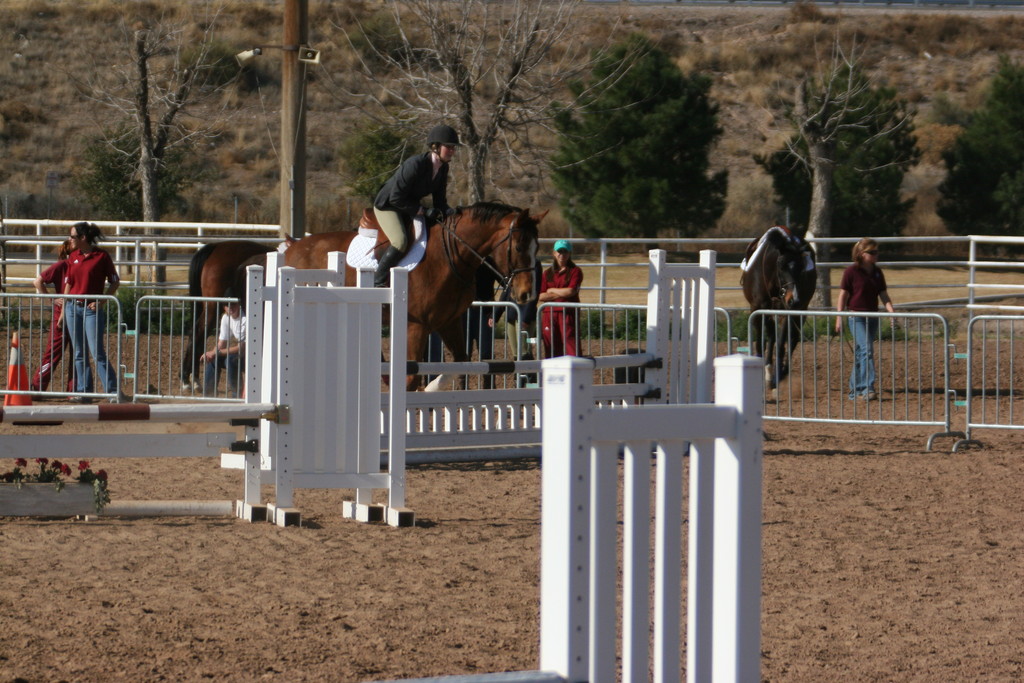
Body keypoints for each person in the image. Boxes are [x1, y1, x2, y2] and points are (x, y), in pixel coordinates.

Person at [372, 124, 461, 288]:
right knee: (400, 241)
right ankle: (377, 280)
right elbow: (396, 198)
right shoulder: (415, 164)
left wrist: (453, 213)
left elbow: (439, 201)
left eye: (453, 148)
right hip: (388, 205)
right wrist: (424, 211)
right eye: (449, 147)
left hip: (408, 206)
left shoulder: (443, 168)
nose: (452, 151)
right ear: (435, 146)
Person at [63, 221, 126, 404]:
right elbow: (68, 283)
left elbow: (114, 281)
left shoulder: (101, 256)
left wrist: (102, 301)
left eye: (72, 236)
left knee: (97, 351)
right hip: (72, 308)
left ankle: (113, 391)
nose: (69, 240)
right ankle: (84, 391)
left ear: (83, 238)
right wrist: (63, 311)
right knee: (78, 352)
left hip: (91, 310)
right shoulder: (73, 256)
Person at [835, 237, 896, 401]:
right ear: (862, 254)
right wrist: (839, 317)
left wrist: (891, 312)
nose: (876, 255)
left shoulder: (877, 272)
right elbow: (843, 295)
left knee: (862, 353)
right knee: (867, 350)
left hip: (873, 316)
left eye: (877, 252)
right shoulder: (851, 272)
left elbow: (883, 293)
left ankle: (855, 390)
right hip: (856, 316)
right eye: (872, 252)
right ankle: (867, 388)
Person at [31, 239, 87, 395]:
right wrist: (53, 299)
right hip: (62, 315)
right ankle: (38, 386)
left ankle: (73, 390)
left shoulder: (76, 266)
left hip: (75, 313)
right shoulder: (62, 265)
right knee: (55, 353)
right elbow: (38, 281)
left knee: (74, 353)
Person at [539, 240, 583, 358]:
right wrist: (562, 293)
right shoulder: (547, 273)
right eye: (559, 251)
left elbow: (571, 291)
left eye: (565, 251)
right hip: (549, 314)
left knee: (571, 346)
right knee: (551, 348)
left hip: (568, 313)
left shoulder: (575, 271)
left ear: (569, 253)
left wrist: (551, 290)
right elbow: (541, 296)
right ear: (554, 253)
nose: (562, 254)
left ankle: (575, 374)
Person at [202, 292, 246, 398]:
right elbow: (221, 343)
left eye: (233, 304)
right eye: (227, 305)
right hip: (242, 352)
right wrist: (212, 354)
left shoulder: (245, 318)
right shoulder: (226, 318)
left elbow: (242, 347)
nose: (230, 307)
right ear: (224, 307)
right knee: (213, 359)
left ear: (239, 304)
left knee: (230, 360)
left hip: (253, 356)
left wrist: (216, 352)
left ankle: (237, 395)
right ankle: (208, 395)